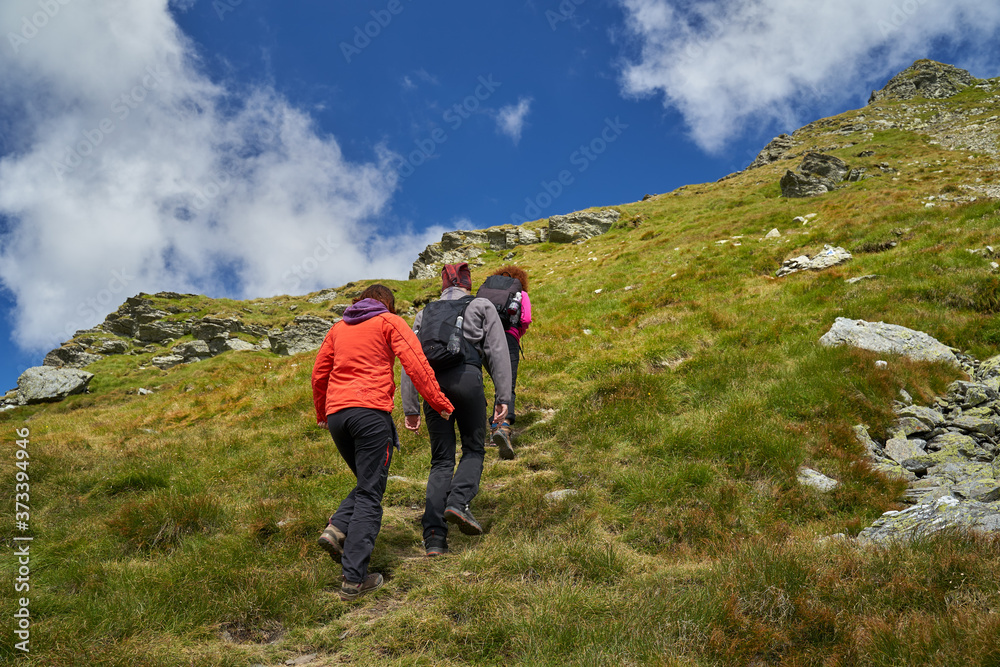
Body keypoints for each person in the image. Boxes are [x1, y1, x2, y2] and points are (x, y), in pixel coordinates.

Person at [311, 284, 454, 602]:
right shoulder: (390, 322)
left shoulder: (338, 328)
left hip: (338, 417)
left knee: (366, 482)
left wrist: (322, 412)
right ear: (388, 304)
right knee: (371, 494)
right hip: (370, 414)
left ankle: (337, 528)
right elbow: (416, 364)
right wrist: (439, 402)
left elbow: (320, 373)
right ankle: (354, 579)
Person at [401, 262, 511, 557]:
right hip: (467, 379)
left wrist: (410, 406)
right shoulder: (481, 304)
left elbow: (410, 358)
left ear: (443, 285)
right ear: (467, 283)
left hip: (432, 387)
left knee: (441, 461)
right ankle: (458, 501)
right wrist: (504, 397)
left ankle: (435, 538)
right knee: (473, 449)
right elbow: (497, 351)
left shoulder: (424, 313)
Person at [485, 265, 531, 457]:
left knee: (492, 382)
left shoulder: (487, 294)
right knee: (507, 384)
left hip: (485, 341)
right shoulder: (521, 293)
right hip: (508, 339)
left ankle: (489, 428)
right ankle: (502, 428)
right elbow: (526, 318)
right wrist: (517, 333)